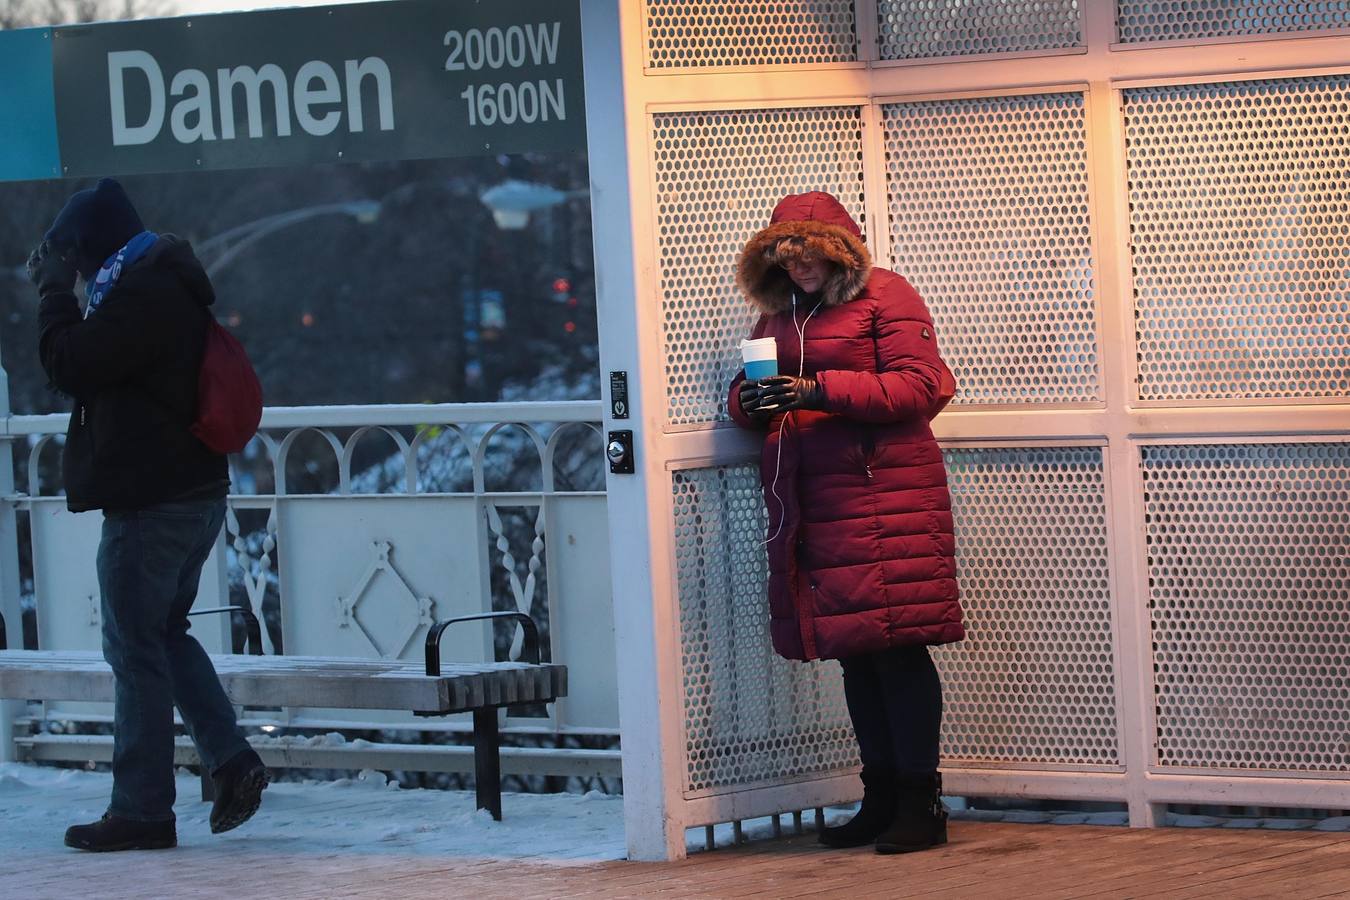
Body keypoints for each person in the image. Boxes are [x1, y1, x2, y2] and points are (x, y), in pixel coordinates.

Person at [26, 178, 267, 852]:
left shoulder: (141, 294)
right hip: (189, 494)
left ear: (93, 245)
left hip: (152, 504)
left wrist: (51, 294)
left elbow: (69, 362)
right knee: (161, 634)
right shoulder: (157, 281)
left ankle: (141, 809)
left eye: (72, 254)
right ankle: (232, 760)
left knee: (134, 647)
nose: (69, 267)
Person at [728, 191, 965, 854]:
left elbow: (922, 386)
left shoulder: (888, 295)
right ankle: (881, 797)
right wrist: (750, 400)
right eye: (787, 254)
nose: (800, 267)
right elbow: (749, 394)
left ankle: (922, 802)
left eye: (811, 254)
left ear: (839, 250)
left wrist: (818, 389)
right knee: (855, 652)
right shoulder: (780, 315)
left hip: (887, 491)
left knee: (897, 648)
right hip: (819, 500)